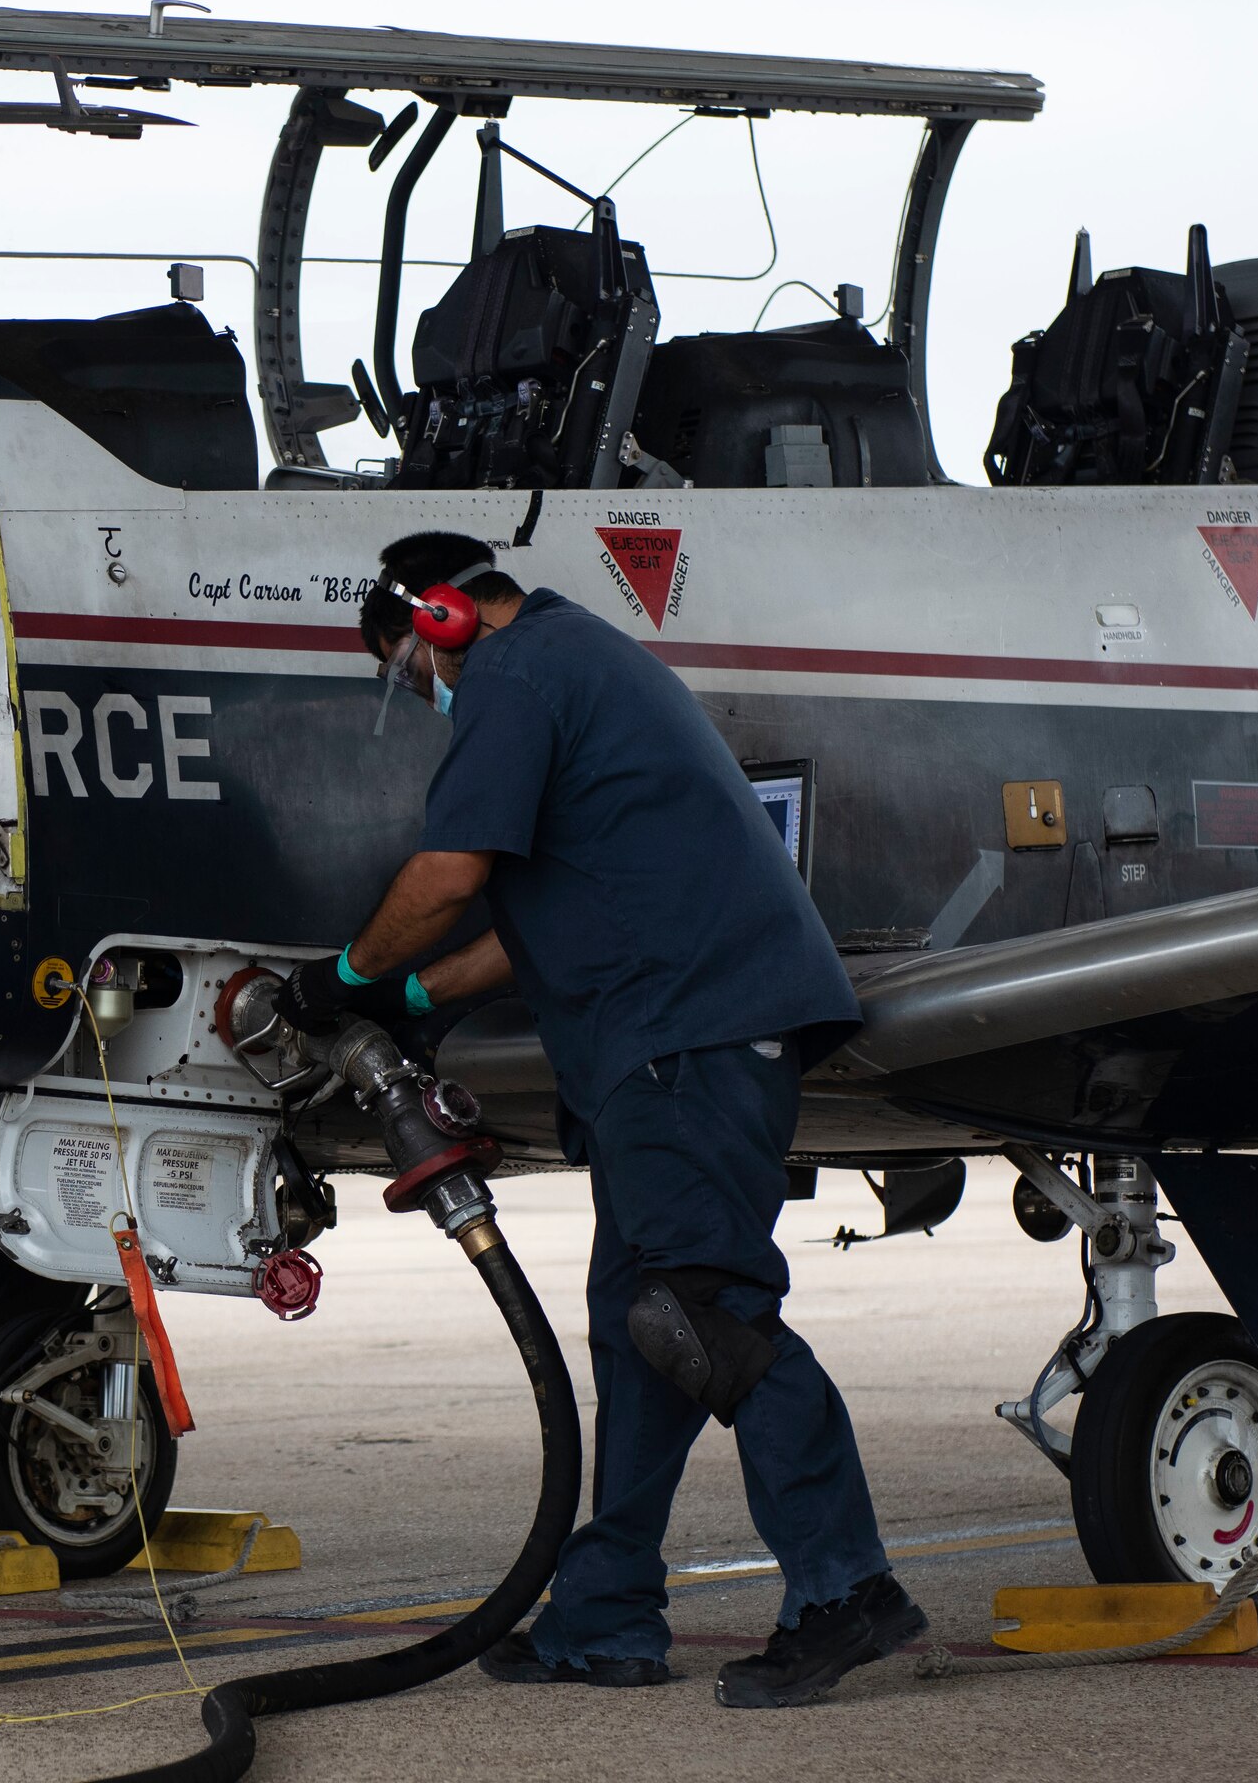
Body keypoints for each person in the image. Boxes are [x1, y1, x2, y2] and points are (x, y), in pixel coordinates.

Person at [277, 530, 924, 1709]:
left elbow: (449, 874)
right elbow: (530, 925)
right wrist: (408, 998)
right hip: (664, 1041)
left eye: (408, 669)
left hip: (685, 1035)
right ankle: (605, 1611)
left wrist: (336, 978)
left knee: (701, 1309)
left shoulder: (513, 676)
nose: (422, 694)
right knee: (642, 1329)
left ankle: (845, 1587)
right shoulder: (580, 660)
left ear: (438, 623)